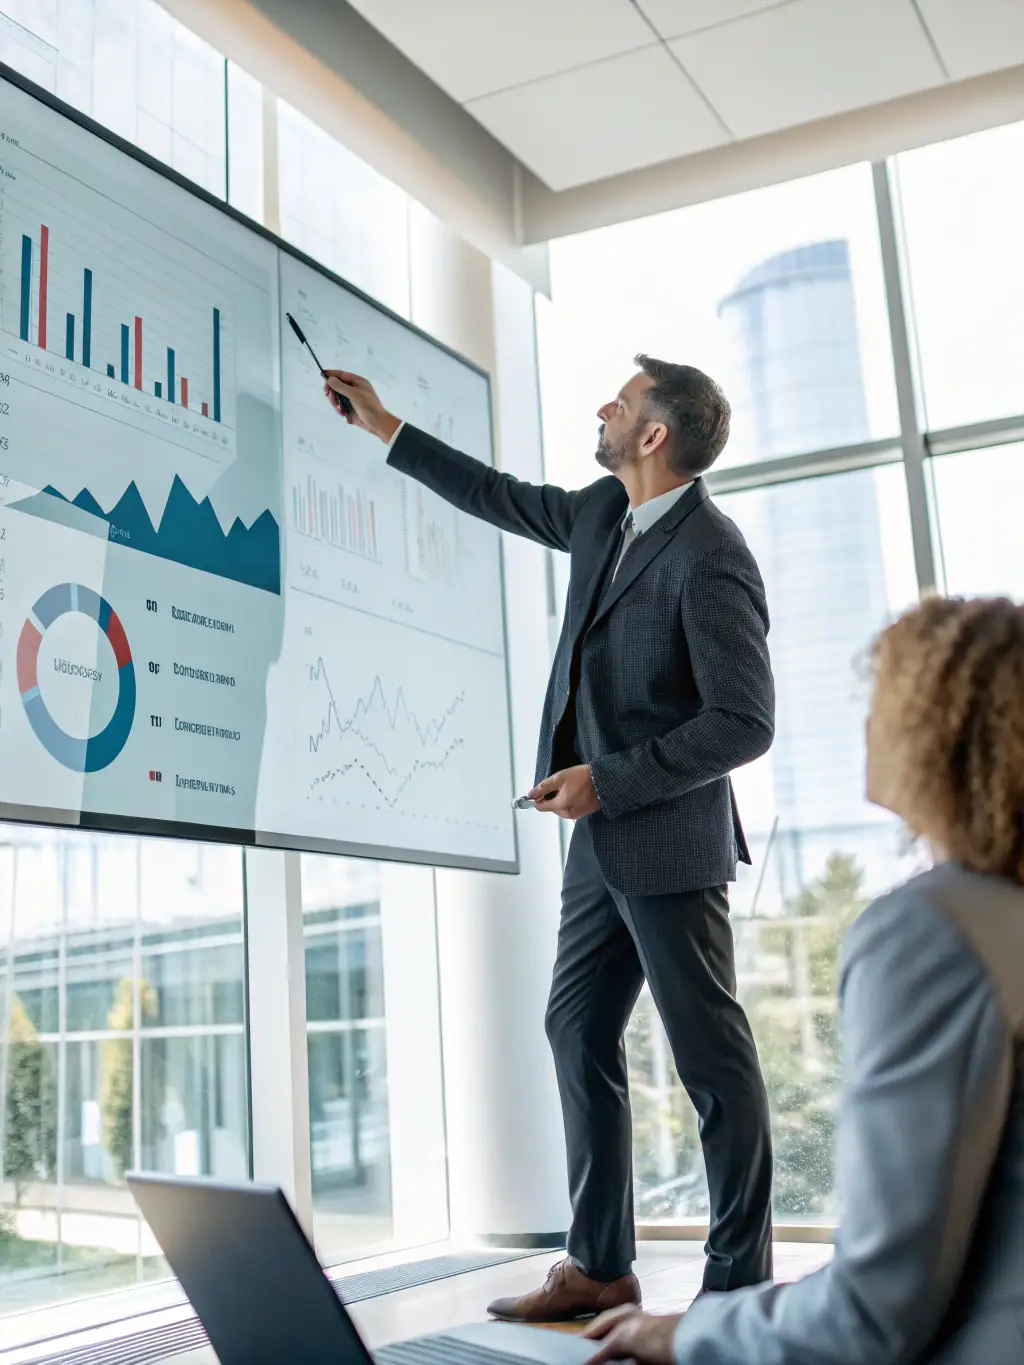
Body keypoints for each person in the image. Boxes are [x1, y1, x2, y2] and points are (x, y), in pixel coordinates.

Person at [323, 355, 775, 1318]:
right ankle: (601, 1263)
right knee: (576, 1027)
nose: (603, 406)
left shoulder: (713, 552)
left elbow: (746, 721)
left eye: (622, 399)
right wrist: (385, 425)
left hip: (664, 839)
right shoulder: (602, 514)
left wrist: (606, 782)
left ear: (655, 434)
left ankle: (740, 1285)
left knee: (711, 1062)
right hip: (598, 844)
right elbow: (496, 495)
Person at [581, 592, 1024, 1364]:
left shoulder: (931, 931)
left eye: (881, 702)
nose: (864, 724)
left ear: (938, 728)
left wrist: (687, 1331)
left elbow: (872, 1313)